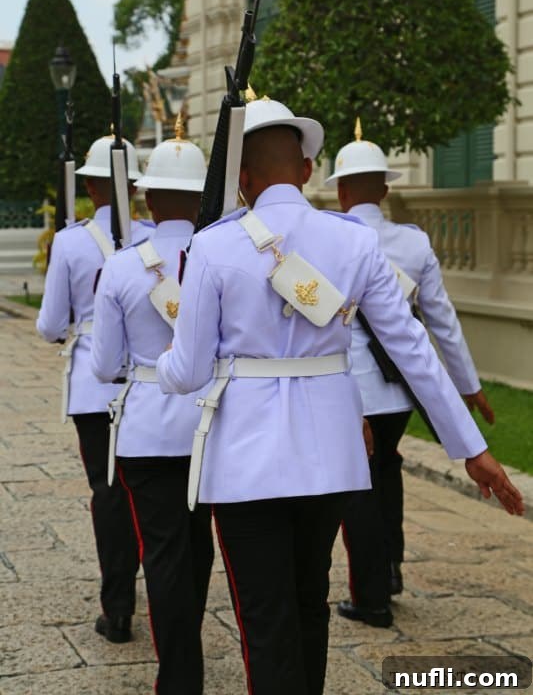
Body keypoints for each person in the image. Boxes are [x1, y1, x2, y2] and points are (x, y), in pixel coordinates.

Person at [156, 97, 523, 695]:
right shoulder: (353, 242)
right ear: (305, 169)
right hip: (330, 457)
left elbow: (190, 370)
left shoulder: (214, 246)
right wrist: (471, 447)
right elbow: (414, 349)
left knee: (265, 617)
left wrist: (160, 371)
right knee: (309, 604)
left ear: (240, 180)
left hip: (246, 463)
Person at [325, 120, 496, 628]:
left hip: (350, 393)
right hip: (397, 392)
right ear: (383, 188)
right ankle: (391, 567)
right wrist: (469, 386)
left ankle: (371, 596)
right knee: (387, 473)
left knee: (358, 490)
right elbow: (441, 322)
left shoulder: (330, 241)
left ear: (340, 189)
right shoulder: (413, 244)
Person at [91, 124, 214, 694]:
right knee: (200, 544)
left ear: (147, 197)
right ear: (202, 195)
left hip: (145, 426)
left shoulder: (120, 266)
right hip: (211, 425)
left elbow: (103, 367)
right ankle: (185, 647)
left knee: (162, 553)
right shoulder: (223, 255)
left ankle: (180, 673)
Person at [36, 134, 153, 643]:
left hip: (93, 386)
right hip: (151, 385)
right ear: (134, 186)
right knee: (146, 491)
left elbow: (48, 324)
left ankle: (118, 603)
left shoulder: (69, 241)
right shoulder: (155, 237)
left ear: (89, 185)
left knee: (107, 493)